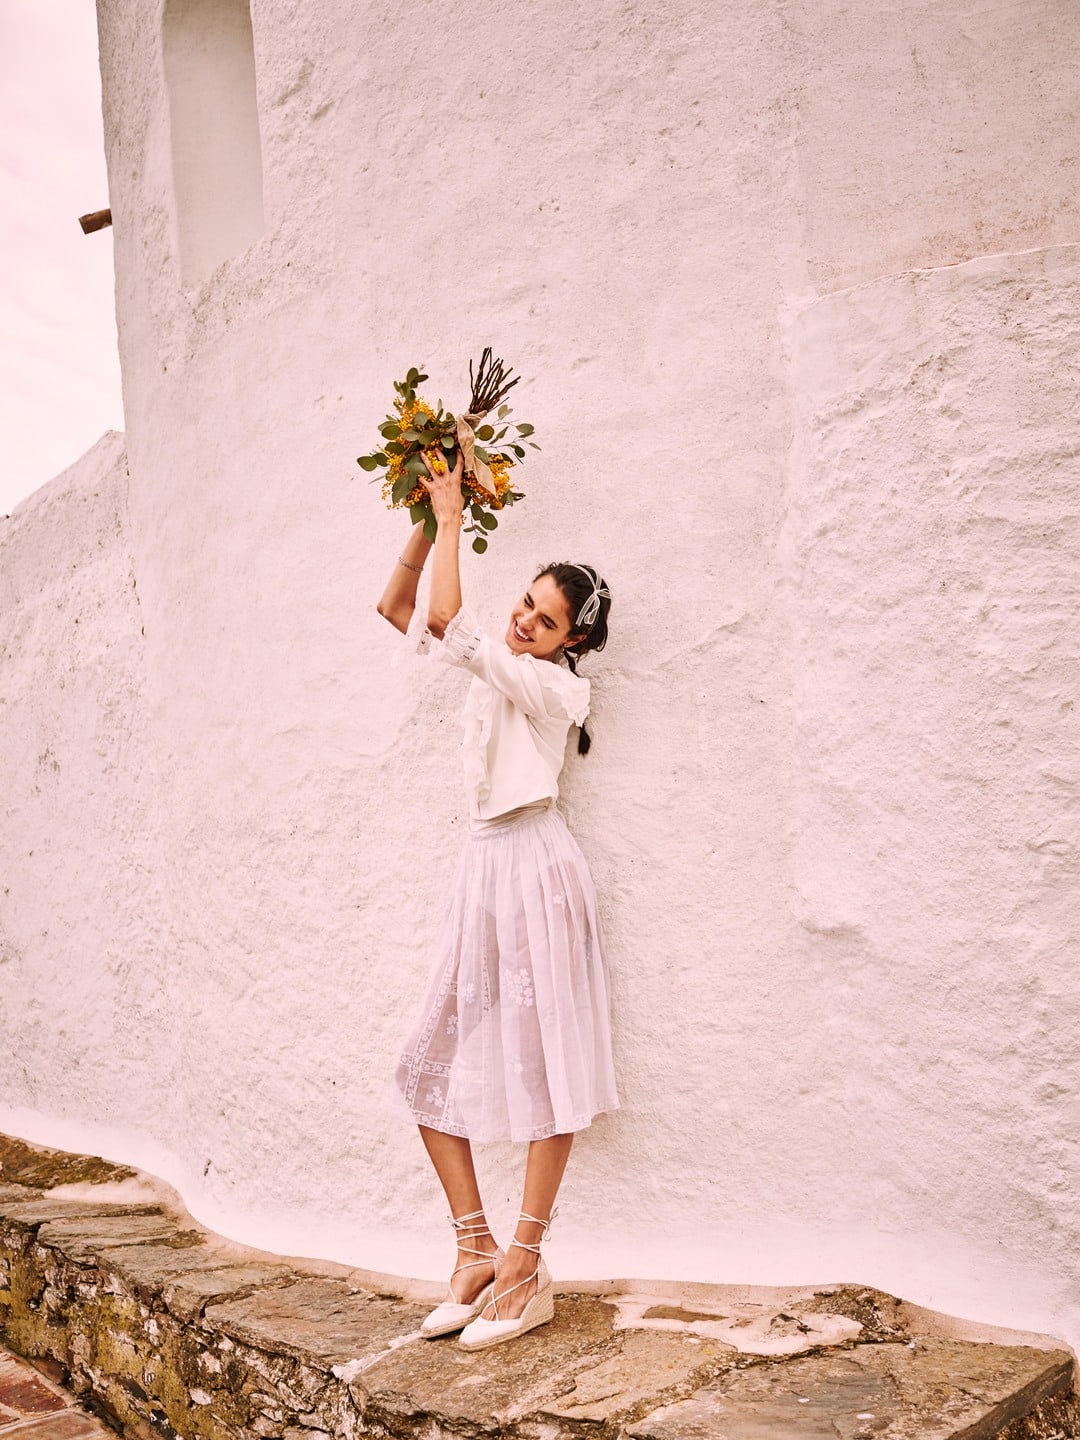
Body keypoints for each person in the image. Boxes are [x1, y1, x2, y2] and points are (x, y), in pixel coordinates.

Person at [376, 447, 618, 1352]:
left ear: (571, 640)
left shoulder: (556, 687)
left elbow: (448, 615)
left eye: (545, 619)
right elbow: (401, 609)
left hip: (536, 869)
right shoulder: (496, 662)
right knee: (426, 1067)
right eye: (524, 602)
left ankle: (526, 1261)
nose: (523, 620)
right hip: (480, 869)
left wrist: (451, 519)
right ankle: (472, 1247)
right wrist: (429, 506)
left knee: (547, 1068)